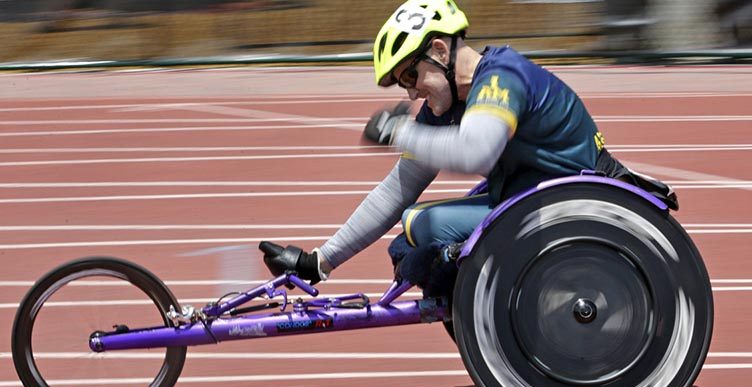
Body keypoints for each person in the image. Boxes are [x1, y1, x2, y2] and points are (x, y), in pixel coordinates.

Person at [259, 0, 676, 295]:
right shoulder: (448, 105)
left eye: (409, 76)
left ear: (439, 49)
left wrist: (399, 133)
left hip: (576, 206)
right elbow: (396, 189)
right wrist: (321, 261)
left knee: (424, 229)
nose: (410, 95)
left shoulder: (501, 77)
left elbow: (477, 151)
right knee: (413, 225)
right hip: (534, 202)